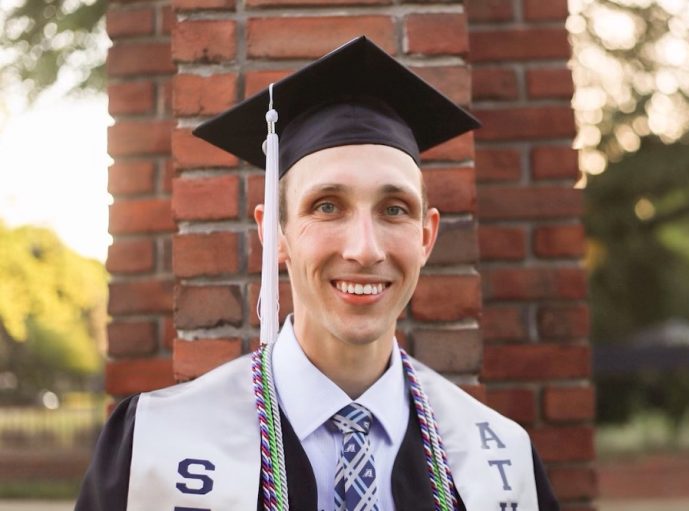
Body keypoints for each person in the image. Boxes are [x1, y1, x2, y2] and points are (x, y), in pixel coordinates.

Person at [76, 36, 560, 511]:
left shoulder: (501, 459)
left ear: (426, 237)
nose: (365, 249)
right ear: (275, 232)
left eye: (394, 209)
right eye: (327, 206)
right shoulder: (156, 445)